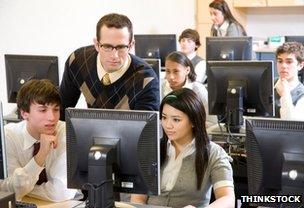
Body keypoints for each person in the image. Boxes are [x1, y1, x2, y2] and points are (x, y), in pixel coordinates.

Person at [131, 88, 235, 208]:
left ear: (193, 121)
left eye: (176, 120)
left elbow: (227, 199)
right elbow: (138, 199)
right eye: (164, 117)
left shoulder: (214, 153)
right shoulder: (151, 149)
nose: (167, 125)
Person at [59, 13, 159, 120]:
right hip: (89, 133)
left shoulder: (146, 79)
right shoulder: (77, 61)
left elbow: (146, 132)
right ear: (96, 44)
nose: (114, 56)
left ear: (131, 45)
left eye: (121, 47)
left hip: (127, 136)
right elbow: (61, 111)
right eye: (107, 47)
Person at [1, 79, 77, 201]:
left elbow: (61, 192)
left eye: (56, 110)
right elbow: (6, 190)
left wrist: (25, 189)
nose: (52, 117)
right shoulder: (8, 136)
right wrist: (41, 156)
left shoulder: (67, 133)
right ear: (24, 113)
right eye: (43, 110)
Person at [162, 51, 216, 127]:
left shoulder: (197, 89)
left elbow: (212, 122)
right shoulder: (161, 87)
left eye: (176, 71)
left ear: (187, 70)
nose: (171, 77)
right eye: (168, 71)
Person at [274, 41, 304, 120]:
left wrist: (285, 95)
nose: (283, 66)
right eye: (280, 61)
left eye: (289, 62)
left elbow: (291, 126)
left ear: (300, 65)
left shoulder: (302, 94)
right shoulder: (266, 84)